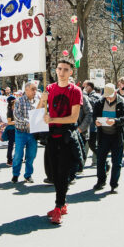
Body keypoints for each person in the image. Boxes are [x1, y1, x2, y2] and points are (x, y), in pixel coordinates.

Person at [38, 59, 83, 225]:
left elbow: (73, 117)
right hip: (51, 137)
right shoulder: (49, 89)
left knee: (63, 173)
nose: (62, 72)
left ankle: (58, 207)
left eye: (65, 69)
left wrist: (53, 118)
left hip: (66, 137)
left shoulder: (76, 91)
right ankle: (62, 203)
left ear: (71, 72)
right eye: (59, 69)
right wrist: (42, 100)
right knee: (53, 174)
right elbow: (38, 113)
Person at [93, 83, 124, 194]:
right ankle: (101, 181)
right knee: (100, 160)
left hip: (117, 136)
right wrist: (96, 121)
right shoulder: (99, 102)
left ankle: (114, 184)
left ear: (115, 93)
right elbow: (94, 115)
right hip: (103, 135)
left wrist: (115, 121)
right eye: (106, 96)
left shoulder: (122, 102)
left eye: (110, 95)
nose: (108, 98)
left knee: (117, 162)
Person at [12, 82, 38, 183]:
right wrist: (28, 122)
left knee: (31, 155)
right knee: (18, 155)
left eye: (35, 89)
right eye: (33, 89)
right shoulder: (19, 101)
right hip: (20, 132)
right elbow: (17, 116)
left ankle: (28, 175)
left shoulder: (37, 101)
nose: (35, 91)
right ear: (26, 90)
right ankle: (15, 174)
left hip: (33, 133)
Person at [83, 80, 101, 166]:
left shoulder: (96, 96)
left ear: (90, 87)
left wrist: (85, 95)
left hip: (93, 125)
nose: (84, 88)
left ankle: (99, 160)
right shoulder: (88, 95)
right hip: (87, 125)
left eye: (85, 87)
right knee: (88, 145)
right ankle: (81, 164)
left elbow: (92, 105)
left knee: (92, 145)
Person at [6, 95, 16, 166]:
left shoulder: (17, 109)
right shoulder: (9, 111)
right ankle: (9, 160)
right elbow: (9, 122)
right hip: (11, 130)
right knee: (11, 145)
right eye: (15, 100)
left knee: (18, 144)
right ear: (12, 101)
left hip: (17, 129)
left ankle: (17, 158)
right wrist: (17, 122)